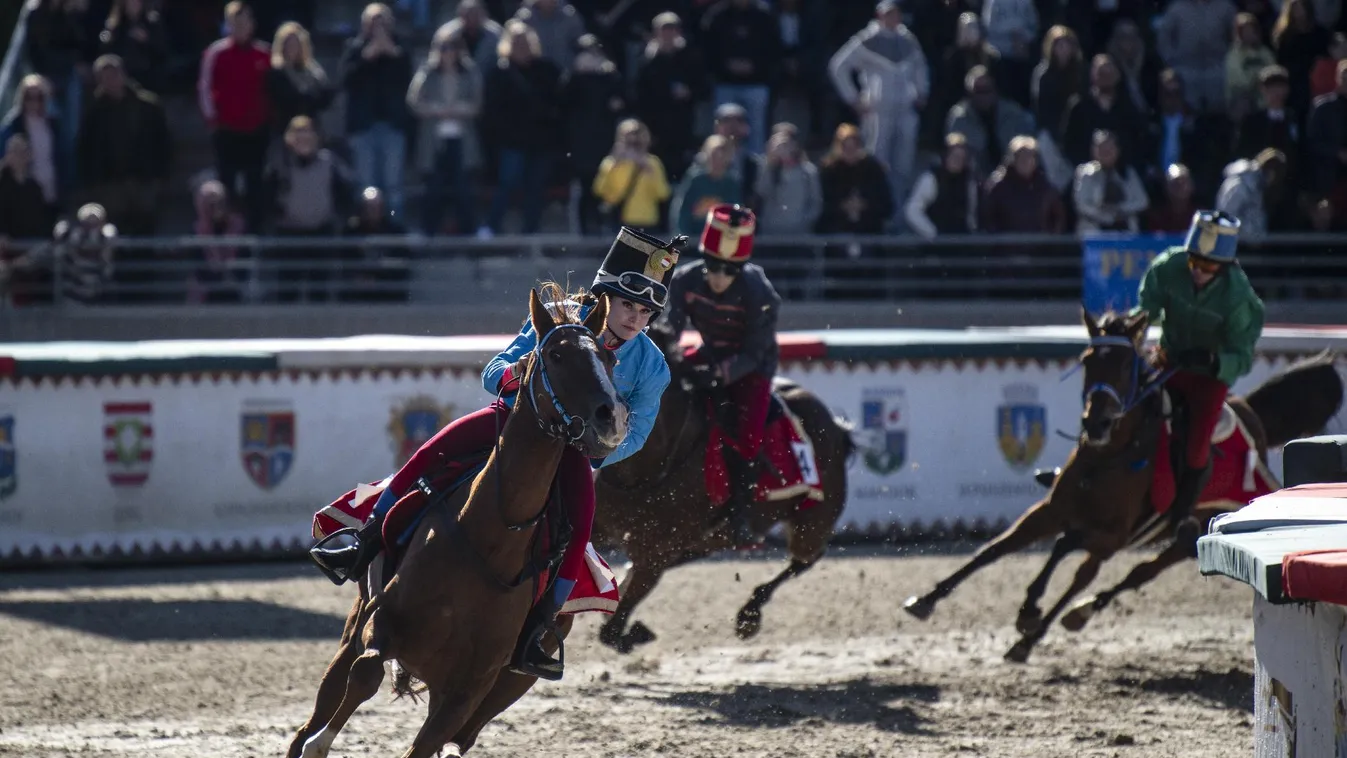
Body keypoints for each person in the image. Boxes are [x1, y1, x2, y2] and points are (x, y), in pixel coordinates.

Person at [310, 226, 682, 680]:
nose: (635, 318)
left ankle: (539, 630)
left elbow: (639, 433)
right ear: (604, 299)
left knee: (581, 527)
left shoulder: (655, 366)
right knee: (428, 455)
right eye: (627, 305)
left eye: (646, 311)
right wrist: (520, 371)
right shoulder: (558, 319)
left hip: (570, 456)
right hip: (510, 426)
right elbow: (493, 372)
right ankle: (362, 542)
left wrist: (596, 452)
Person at [1136, 210, 1264, 556]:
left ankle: (1182, 518)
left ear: (1225, 266)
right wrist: (1136, 340)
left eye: (1208, 267)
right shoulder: (1167, 267)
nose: (1197, 272)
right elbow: (1144, 309)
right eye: (1194, 262)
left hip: (1209, 379)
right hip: (1168, 362)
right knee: (1122, 402)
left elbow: (1243, 355)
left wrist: (1214, 362)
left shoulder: (1239, 297)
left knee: (1195, 447)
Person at [660, 204, 781, 547]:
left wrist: (719, 373)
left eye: (729, 270)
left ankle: (740, 513)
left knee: (748, 435)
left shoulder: (759, 290)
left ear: (740, 268)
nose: (718, 276)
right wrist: (676, 359)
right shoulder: (684, 279)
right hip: (712, 351)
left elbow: (755, 351)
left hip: (753, 367)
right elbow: (671, 331)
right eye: (713, 266)